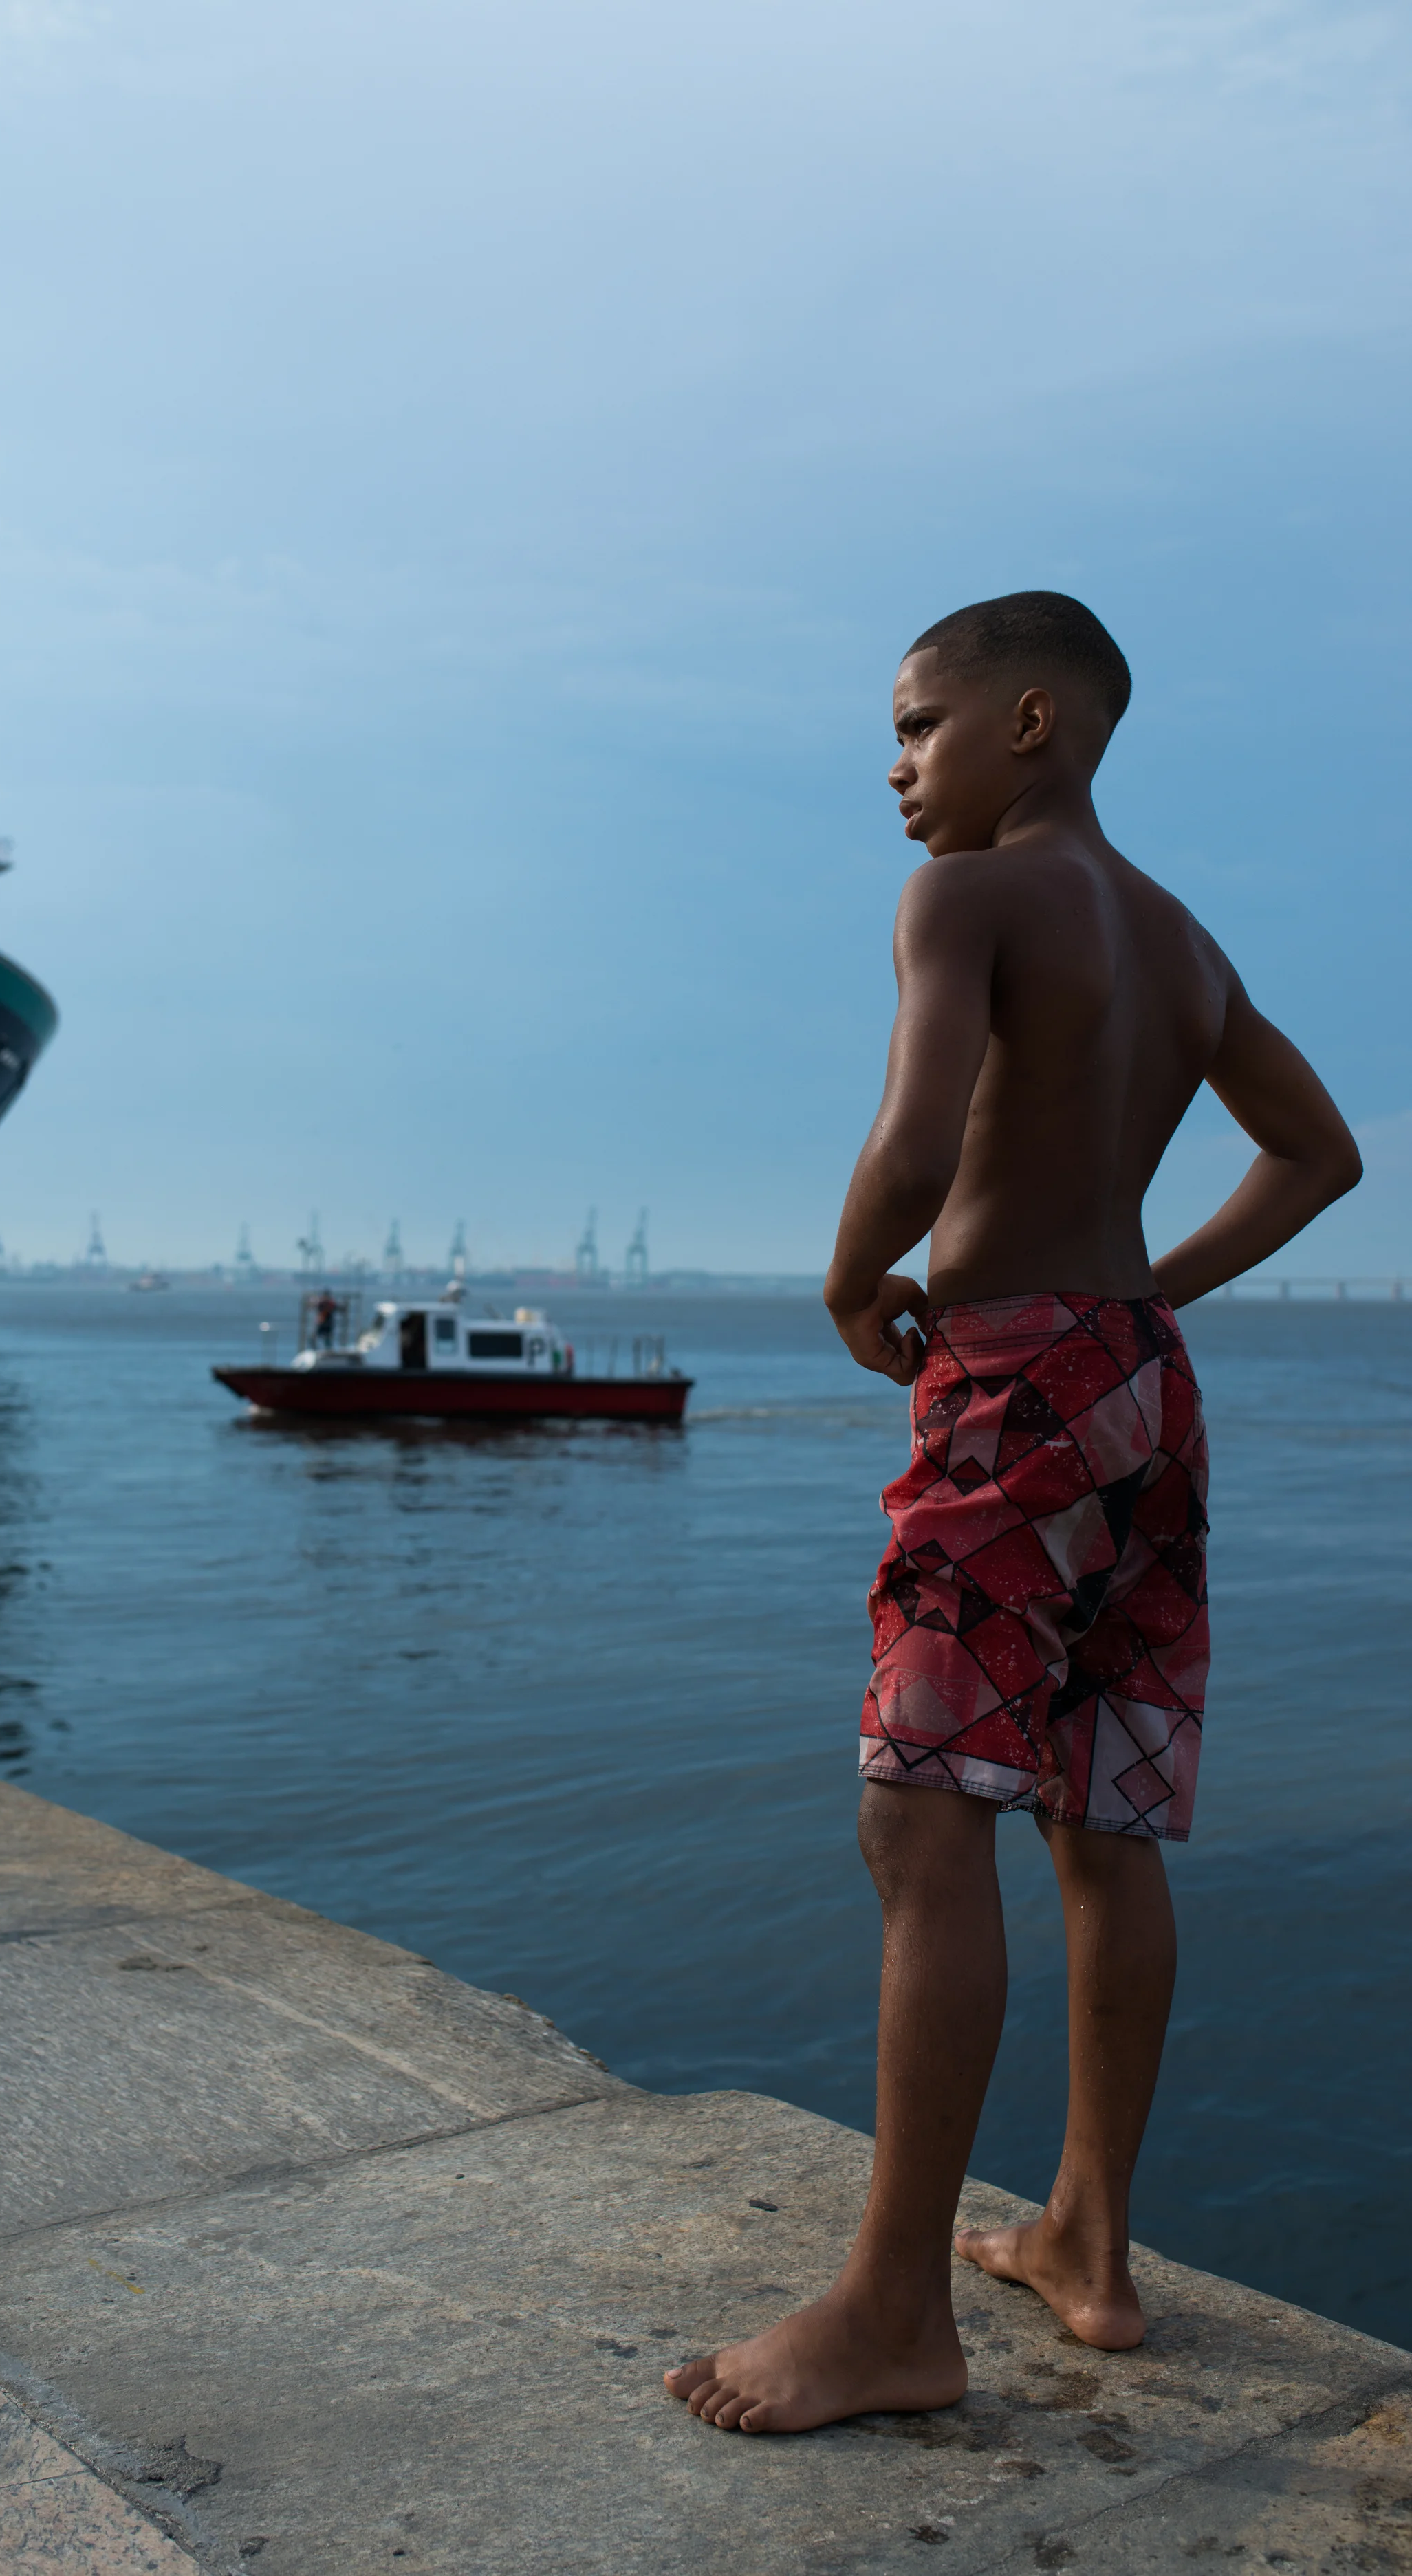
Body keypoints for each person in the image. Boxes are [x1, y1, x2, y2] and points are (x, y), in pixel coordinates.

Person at [666, 590, 1360, 2436]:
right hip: (1139, 1396)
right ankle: (1088, 2247)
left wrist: (843, 1281)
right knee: (1098, 1821)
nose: (895, 769)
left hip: (1005, 1390)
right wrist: (1144, 1303)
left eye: (914, 726)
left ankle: (893, 2312)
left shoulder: (965, 897)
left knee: (920, 1827)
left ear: (1027, 720)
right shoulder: (1179, 940)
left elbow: (916, 1132)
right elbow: (1321, 1153)